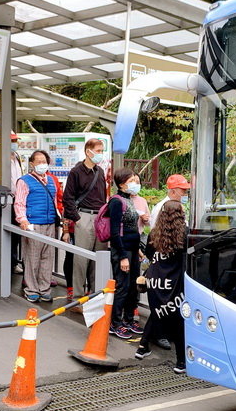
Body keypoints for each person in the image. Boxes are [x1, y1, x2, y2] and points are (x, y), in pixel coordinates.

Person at [136, 200, 188, 373]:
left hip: (155, 282)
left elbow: (150, 257)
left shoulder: (154, 235)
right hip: (174, 283)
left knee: (158, 312)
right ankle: (181, 362)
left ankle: (142, 347)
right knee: (179, 321)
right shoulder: (184, 235)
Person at [62, 138, 108, 302]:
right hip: (84, 215)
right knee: (81, 259)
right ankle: (77, 297)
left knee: (99, 257)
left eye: (102, 150)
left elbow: (103, 195)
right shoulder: (76, 172)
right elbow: (68, 198)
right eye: (98, 150)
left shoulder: (100, 171)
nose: (100, 154)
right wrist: (78, 219)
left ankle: (96, 295)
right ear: (88, 151)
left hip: (100, 216)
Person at [14, 149, 63, 303]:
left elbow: (55, 202)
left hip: (50, 223)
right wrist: (22, 220)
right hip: (33, 223)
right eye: (39, 161)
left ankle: (45, 289)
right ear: (32, 163)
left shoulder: (51, 180)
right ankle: (32, 289)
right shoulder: (24, 180)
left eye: (45, 161)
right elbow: (19, 202)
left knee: (47, 258)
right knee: (32, 258)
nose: (42, 164)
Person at [108, 168, 144, 339]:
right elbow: (115, 232)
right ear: (122, 183)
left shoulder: (129, 199)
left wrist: (137, 249)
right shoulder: (116, 201)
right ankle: (115, 323)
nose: (136, 184)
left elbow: (131, 229)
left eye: (137, 181)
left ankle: (129, 320)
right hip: (122, 251)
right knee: (122, 287)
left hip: (133, 250)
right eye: (132, 181)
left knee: (133, 287)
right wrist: (122, 256)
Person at [9, 131, 24, 275]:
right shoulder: (1, 157)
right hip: (8, 200)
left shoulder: (16, 157)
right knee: (10, 234)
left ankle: (14, 262)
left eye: (15, 140)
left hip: (18, 199)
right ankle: (10, 262)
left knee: (16, 235)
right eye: (12, 140)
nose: (15, 143)